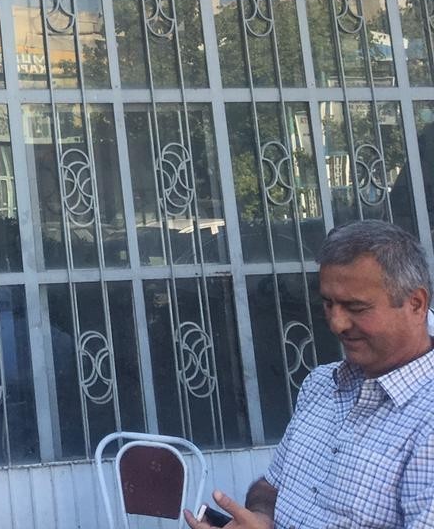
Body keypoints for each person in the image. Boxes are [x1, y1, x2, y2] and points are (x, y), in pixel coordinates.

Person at [185, 220, 434, 529]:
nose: (337, 324)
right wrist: (260, 517)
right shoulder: (322, 384)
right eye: (328, 304)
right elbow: (271, 487)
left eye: (356, 308)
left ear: (416, 304)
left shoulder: (427, 420)